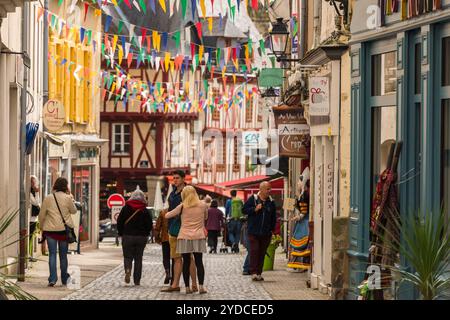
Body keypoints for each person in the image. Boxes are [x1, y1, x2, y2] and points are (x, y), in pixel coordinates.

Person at [165, 186, 208, 294]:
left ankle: (188, 288)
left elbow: (167, 215)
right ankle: (201, 287)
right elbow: (206, 217)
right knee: (199, 262)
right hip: (198, 236)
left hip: (184, 237)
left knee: (186, 262)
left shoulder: (182, 206)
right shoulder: (203, 205)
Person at [161, 171, 198, 292]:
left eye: (177, 178)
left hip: (185, 230)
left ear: (183, 179)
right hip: (173, 229)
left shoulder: (188, 192)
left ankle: (194, 284)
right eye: (173, 178)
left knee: (189, 258)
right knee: (176, 258)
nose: (175, 180)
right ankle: (175, 285)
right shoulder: (172, 194)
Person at [38, 177, 77, 287]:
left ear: (55, 185)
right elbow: (74, 211)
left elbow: (41, 215)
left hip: (50, 230)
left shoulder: (48, 198)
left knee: (52, 254)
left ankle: (52, 279)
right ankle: (64, 278)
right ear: (66, 186)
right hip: (63, 231)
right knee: (63, 256)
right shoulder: (68, 198)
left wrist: (41, 227)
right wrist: (70, 197)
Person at [117, 189, 152, 286]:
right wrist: (146, 233)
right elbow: (149, 224)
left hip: (128, 236)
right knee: (138, 258)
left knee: (127, 256)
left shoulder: (126, 208)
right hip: (141, 237)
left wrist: (121, 233)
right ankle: (137, 280)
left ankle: (128, 270)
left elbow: (119, 221)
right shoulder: (144, 209)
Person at [243, 181, 277, 281]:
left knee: (262, 253)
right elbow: (244, 210)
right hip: (253, 231)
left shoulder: (271, 202)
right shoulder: (253, 199)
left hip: (266, 233)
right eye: (267, 189)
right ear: (261, 189)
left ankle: (259, 272)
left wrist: (272, 230)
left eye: (270, 189)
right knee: (254, 250)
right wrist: (254, 209)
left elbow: (273, 217)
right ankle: (253, 272)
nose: (269, 191)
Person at [288, 179, 311, 271]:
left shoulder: (305, 194)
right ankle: (299, 265)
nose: (297, 183)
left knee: (302, 243)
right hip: (302, 220)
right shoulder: (301, 194)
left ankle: (303, 265)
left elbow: (304, 212)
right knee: (300, 243)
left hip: (304, 221)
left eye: (299, 181)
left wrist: (297, 217)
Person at [154, 209, 171, 284]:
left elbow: (158, 226)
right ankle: (174, 277)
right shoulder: (179, 210)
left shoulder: (163, 212)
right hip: (176, 238)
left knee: (166, 257)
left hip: (165, 238)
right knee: (176, 259)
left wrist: (157, 237)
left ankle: (168, 272)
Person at [29, 175, 41, 262]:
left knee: (32, 238)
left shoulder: (33, 192)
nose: (34, 184)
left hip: (34, 218)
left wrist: (36, 193)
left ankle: (30, 255)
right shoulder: (30, 192)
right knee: (29, 238)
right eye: (32, 182)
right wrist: (37, 193)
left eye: (34, 182)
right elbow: (36, 203)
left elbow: (38, 202)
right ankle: (28, 255)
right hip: (30, 219)